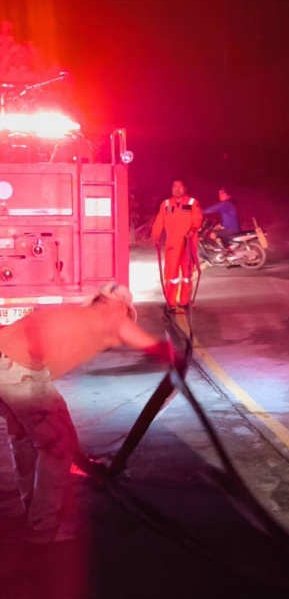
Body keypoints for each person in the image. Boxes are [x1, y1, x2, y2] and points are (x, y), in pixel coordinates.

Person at [0, 284, 177, 542]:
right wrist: (172, 354)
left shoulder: (81, 314)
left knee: (25, 439)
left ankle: (31, 508)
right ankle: (43, 526)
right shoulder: (112, 315)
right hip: (20, 369)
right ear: (120, 306)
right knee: (58, 443)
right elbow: (143, 341)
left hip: (5, 359)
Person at [151, 178, 203, 313]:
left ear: (185, 188)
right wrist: (156, 235)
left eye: (180, 186)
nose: (177, 189)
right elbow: (160, 220)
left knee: (187, 274)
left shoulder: (192, 202)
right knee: (171, 274)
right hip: (173, 244)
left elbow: (197, 219)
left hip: (188, 242)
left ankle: (185, 301)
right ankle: (171, 302)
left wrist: (193, 229)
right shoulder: (166, 204)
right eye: (174, 186)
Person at [201, 187, 241, 251]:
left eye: (222, 193)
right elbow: (229, 219)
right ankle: (226, 247)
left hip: (231, 230)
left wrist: (198, 212)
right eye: (219, 194)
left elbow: (210, 209)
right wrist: (220, 225)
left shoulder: (225, 204)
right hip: (234, 228)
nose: (220, 196)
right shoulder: (230, 204)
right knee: (216, 229)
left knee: (212, 234)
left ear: (227, 194)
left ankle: (224, 250)